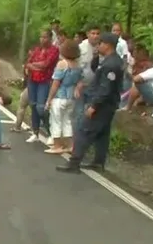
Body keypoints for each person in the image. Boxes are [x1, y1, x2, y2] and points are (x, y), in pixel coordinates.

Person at [57, 32, 123, 173]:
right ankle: (98, 162)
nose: (98, 46)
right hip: (108, 104)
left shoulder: (111, 64)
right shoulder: (109, 60)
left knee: (83, 130)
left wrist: (94, 106)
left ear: (108, 45)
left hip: (102, 105)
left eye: (101, 43)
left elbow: (105, 89)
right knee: (102, 135)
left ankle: (74, 163)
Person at [44, 40, 83, 154]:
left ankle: (57, 146)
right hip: (71, 98)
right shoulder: (77, 65)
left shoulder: (62, 64)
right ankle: (71, 145)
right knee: (67, 121)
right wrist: (77, 89)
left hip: (60, 96)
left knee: (55, 121)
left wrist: (49, 98)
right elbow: (80, 81)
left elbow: (56, 83)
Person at [23, 30, 60, 144]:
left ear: (50, 38)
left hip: (44, 81)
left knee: (41, 107)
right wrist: (35, 66)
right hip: (32, 80)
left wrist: (34, 65)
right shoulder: (37, 49)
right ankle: (35, 132)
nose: (42, 39)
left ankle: (50, 132)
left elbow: (46, 65)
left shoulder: (54, 50)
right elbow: (27, 63)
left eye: (45, 37)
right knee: (33, 105)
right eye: (41, 37)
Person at [75, 25, 101, 137]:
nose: (95, 36)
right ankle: (77, 137)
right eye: (93, 33)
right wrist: (78, 82)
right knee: (79, 112)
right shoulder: (81, 47)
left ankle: (87, 135)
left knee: (91, 111)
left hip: (95, 86)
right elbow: (76, 66)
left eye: (97, 33)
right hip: (81, 84)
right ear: (88, 34)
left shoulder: (103, 47)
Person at [10, 48, 33, 133]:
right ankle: (35, 128)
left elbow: (27, 74)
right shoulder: (40, 63)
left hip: (30, 86)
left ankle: (17, 126)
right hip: (36, 87)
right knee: (33, 108)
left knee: (22, 106)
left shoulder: (30, 64)